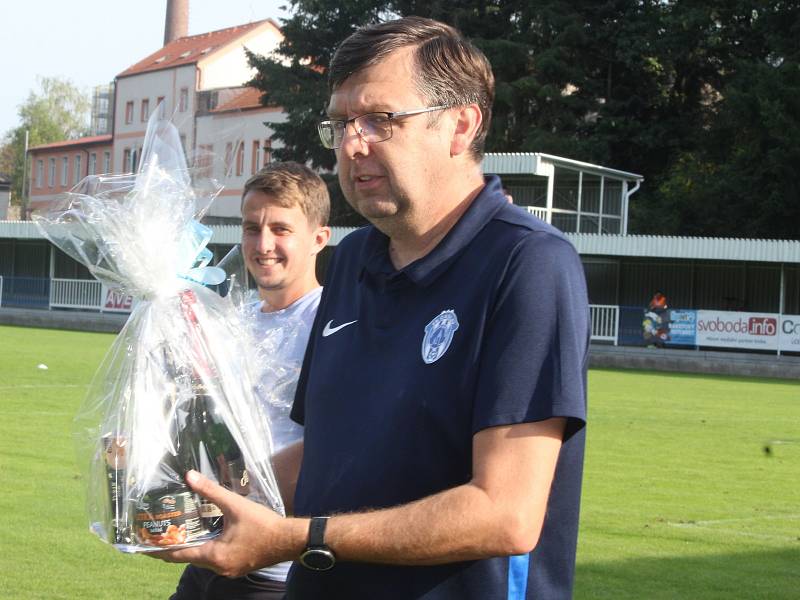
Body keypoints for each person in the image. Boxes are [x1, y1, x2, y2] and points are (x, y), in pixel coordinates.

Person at [155, 16, 590, 600]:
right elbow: (328, 455)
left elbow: (505, 514)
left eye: (382, 120)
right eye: (341, 122)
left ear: (461, 125)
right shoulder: (355, 257)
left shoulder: (528, 264)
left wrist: (293, 539)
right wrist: (190, 494)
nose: (352, 143)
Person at [169, 162, 331, 600]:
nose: (263, 245)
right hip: (209, 551)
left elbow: (332, 447)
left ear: (319, 238)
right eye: (251, 228)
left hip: (271, 569)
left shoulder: (330, 326)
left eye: (281, 229)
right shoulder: (235, 320)